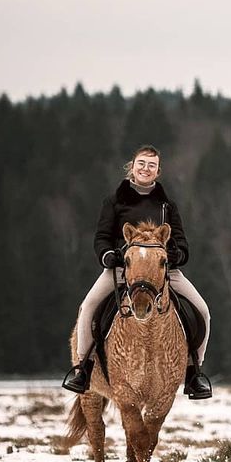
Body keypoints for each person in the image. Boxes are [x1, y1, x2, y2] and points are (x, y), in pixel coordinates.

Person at [61, 145, 213, 399]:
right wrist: (107, 255)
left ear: (158, 171)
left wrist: (177, 255)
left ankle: (193, 372)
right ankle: (83, 369)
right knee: (87, 307)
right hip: (123, 269)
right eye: (141, 163)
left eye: (151, 165)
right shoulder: (114, 202)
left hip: (163, 272)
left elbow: (182, 242)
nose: (145, 169)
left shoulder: (167, 205)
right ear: (132, 167)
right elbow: (102, 237)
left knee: (204, 312)